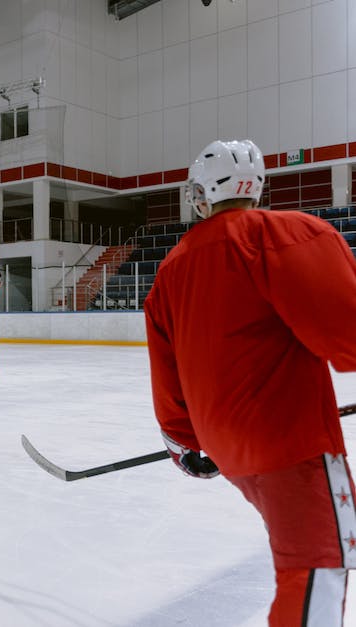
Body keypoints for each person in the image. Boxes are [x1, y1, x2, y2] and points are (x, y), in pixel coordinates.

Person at [144, 139, 356, 626]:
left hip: (230, 447)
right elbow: (344, 328)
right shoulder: (286, 234)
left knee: (313, 553)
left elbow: (166, 367)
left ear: (204, 192)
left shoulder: (173, 266)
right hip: (291, 445)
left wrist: (183, 438)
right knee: (319, 559)